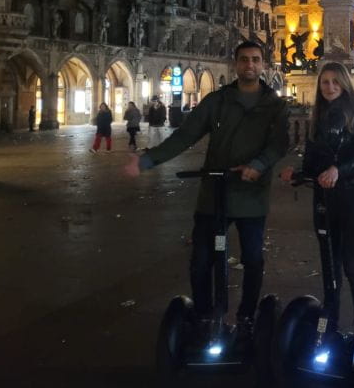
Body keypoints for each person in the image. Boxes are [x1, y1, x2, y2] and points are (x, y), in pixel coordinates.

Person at [123, 41, 289, 342]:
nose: (249, 65)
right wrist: (147, 160)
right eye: (243, 60)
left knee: (253, 259)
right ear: (235, 64)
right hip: (214, 193)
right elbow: (185, 135)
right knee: (201, 259)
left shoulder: (274, 105)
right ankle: (203, 314)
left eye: (255, 60)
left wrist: (259, 164)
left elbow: (279, 142)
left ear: (263, 65)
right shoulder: (217, 101)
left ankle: (247, 316)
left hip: (251, 195)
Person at [279, 62, 354, 335]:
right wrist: (296, 174)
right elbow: (312, 161)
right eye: (325, 82)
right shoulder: (317, 118)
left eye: (336, 81)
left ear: (345, 84)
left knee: (351, 263)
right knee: (329, 264)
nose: (330, 87)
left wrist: (338, 170)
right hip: (324, 197)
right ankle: (330, 322)